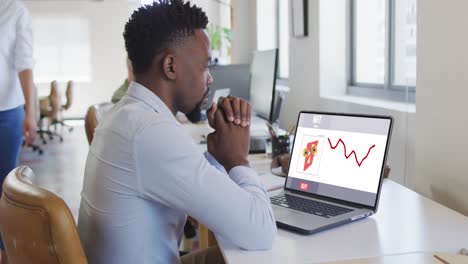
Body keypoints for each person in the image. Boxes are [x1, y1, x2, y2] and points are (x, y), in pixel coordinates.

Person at [77, 0, 276, 263]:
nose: (210, 79)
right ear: (170, 66)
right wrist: (238, 159)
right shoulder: (150, 132)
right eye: (205, 66)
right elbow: (261, 232)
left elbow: (192, 184)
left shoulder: (126, 115)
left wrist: (217, 156)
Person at [0, 0, 37, 263]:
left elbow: (24, 64)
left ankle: (5, 253)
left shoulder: (15, 11)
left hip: (7, 112)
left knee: (4, 188)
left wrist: (31, 112)